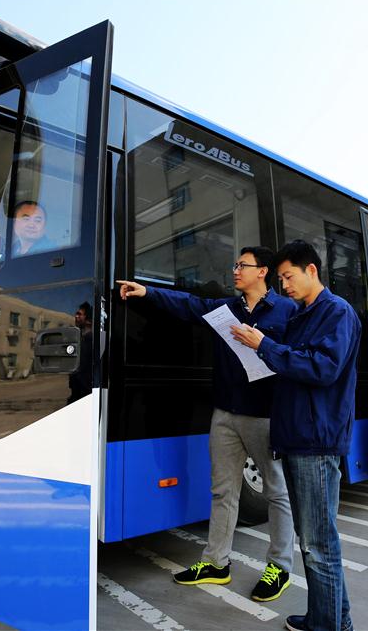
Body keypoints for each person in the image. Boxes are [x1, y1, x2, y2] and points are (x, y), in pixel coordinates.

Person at [117, 247, 296, 602]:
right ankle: (216, 563)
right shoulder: (226, 308)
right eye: (234, 265)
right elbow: (188, 304)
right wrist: (148, 292)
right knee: (222, 491)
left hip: (265, 414)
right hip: (226, 413)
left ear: (262, 272)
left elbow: (297, 359)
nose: (235, 271)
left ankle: (280, 567)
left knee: (276, 492)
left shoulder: (287, 311)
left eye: (242, 266)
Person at [231, 239, 361, 631]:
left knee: (319, 544)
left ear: (312, 271)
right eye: (281, 277)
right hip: (297, 437)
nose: (284, 284)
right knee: (314, 541)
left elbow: (324, 368)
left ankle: (328, 625)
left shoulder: (336, 312)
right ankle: (331, 619)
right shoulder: (304, 314)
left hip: (315, 441)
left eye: (288, 276)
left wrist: (266, 345)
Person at [68, 302, 93, 404]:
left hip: (85, 393)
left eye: (79, 314)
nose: (76, 316)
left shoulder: (91, 340)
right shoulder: (79, 339)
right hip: (77, 391)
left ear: (88, 319)